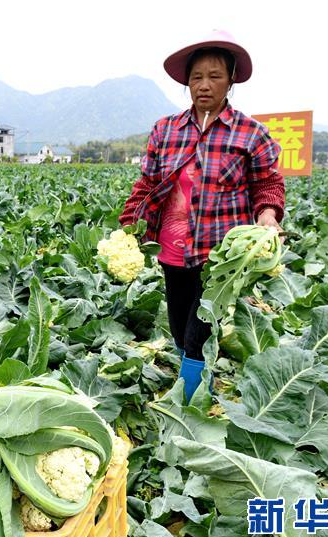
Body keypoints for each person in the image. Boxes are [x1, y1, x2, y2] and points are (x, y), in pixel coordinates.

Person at [120, 31, 285, 403]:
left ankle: (192, 398)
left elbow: (268, 184)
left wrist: (269, 215)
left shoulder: (251, 134)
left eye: (214, 76)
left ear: (231, 81)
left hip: (221, 257)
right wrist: (129, 222)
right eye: (197, 77)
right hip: (172, 249)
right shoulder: (166, 130)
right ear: (186, 82)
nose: (205, 85)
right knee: (179, 325)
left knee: (200, 328)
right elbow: (147, 181)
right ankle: (190, 378)